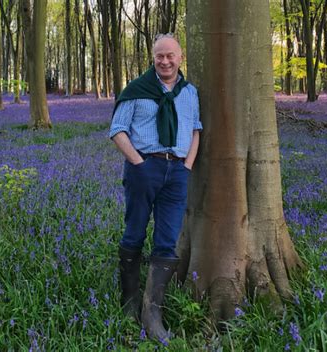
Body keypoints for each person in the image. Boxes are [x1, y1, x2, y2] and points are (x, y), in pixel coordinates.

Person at [109, 33, 202, 341]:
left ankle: (153, 312)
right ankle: (130, 302)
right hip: (144, 167)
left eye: (170, 56)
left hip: (176, 171)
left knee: (166, 240)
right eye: (160, 56)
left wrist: (187, 165)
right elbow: (117, 130)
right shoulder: (136, 90)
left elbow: (196, 129)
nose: (165, 61)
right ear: (153, 58)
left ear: (180, 58)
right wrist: (138, 162)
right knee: (134, 231)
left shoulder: (190, 93)